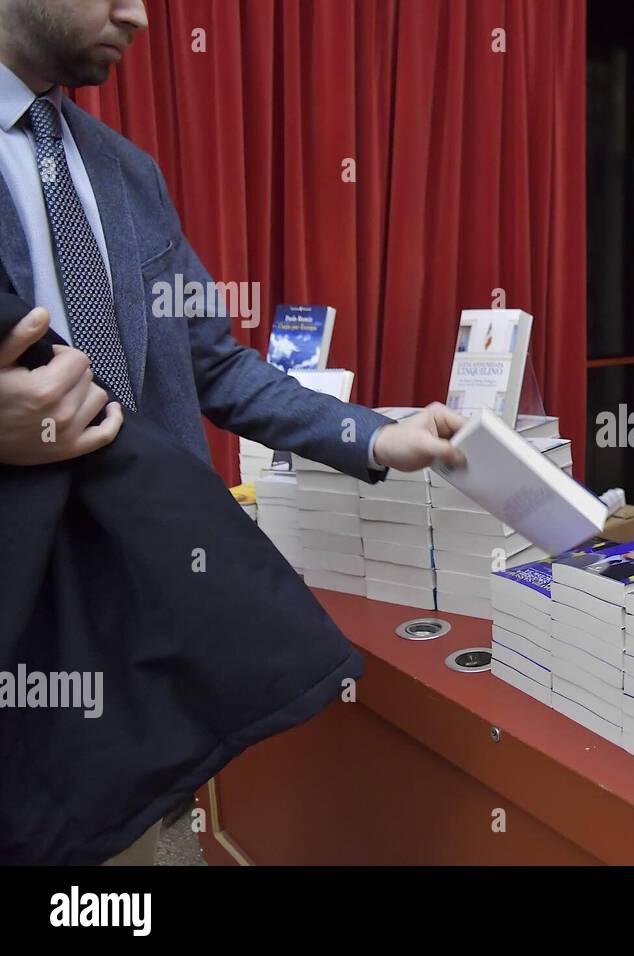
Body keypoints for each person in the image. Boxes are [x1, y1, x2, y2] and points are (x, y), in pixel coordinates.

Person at [0, 0, 463, 864]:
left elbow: (212, 363)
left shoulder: (124, 171)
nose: (138, 15)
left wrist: (371, 436)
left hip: (142, 616)